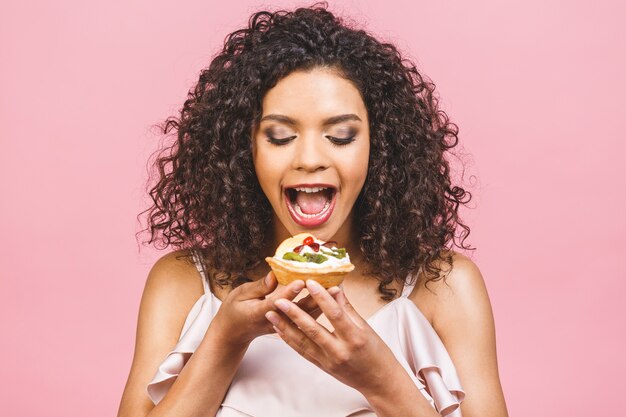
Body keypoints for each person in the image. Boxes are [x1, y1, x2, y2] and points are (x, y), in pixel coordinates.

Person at [117, 3, 508, 416]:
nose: (309, 158)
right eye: (280, 136)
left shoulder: (444, 287)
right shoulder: (182, 283)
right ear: (243, 149)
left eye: (340, 137)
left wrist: (383, 380)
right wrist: (224, 341)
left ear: (381, 148)